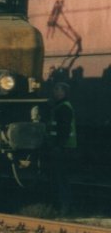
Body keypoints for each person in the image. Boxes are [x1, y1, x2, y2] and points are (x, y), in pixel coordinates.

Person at [48, 82, 78, 214]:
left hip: (62, 148)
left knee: (60, 178)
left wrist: (58, 146)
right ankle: (64, 205)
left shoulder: (63, 108)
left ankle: (64, 206)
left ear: (64, 92)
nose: (55, 92)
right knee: (60, 177)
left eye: (58, 90)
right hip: (63, 147)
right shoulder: (61, 106)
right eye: (54, 90)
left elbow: (63, 130)